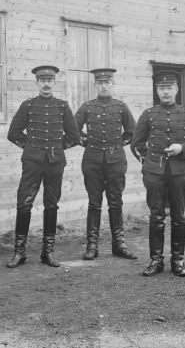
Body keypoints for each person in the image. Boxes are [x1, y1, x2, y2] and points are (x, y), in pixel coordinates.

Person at [6, 65, 81, 268]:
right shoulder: (28, 106)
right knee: (24, 204)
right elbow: (13, 133)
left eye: (50, 80)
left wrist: (57, 148)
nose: (46, 83)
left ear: (54, 82)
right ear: (37, 83)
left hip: (55, 165)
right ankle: (19, 253)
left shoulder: (63, 106)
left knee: (51, 205)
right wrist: (31, 148)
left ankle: (47, 252)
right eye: (42, 80)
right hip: (32, 164)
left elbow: (74, 136)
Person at [132, 71, 185, 277]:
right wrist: (149, 164)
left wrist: (182, 149)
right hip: (155, 174)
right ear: (156, 91)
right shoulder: (148, 114)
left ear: (176, 90)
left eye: (169, 88)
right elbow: (137, 144)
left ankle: (178, 260)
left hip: (179, 173)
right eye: (162, 88)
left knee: (178, 217)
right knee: (156, 216)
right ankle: (156, 260)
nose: (166, 92)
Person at [74, 68, 137, 261]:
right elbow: (73, 130)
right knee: (94, 203)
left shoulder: (121, 107)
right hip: (92, 161)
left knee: (115, 202)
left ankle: (119, 245)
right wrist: (86, 141)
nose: (103, 86)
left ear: (112, 84)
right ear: (95, 85)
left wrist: (118, 144)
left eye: (107, 83)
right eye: (100, 83)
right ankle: (92, 246)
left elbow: (132, 132)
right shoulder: (87, 107)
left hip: (115, 161)